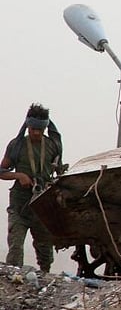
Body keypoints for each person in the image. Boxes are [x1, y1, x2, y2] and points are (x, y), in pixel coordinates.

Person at [1, 103, 63, 272]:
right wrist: (19, 175)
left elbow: (59, 171)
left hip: (42, 203)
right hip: (20, 204)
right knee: (15, 245)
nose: (36, 133)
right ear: (28, 126)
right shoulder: (17, 145)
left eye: (40, 129)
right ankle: (14, 278)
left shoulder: (53, 145)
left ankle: (44, 278)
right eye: (33, 129)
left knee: (45, 248)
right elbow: (2, 171)